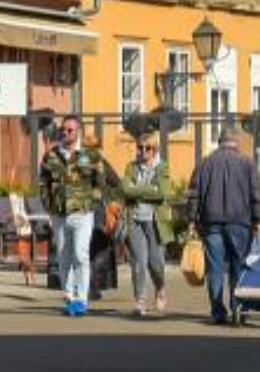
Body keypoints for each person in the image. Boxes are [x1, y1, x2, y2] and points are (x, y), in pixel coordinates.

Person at [40, 118, 113, 316]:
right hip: (60, 214)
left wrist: (91, 203)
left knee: (81, 254)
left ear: (78, 131)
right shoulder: (51, 156)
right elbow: (43, 183)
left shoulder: (91, 155)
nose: (65, 133)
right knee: (64, 256)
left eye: (70, 130)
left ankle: (81, 299)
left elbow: (100, 182)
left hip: (82, 213)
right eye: (63, 130)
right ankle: (69, 296)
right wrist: (49, 206)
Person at [189, 129, 260, 326]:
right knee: (238, 265)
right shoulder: (247, 163)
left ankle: (217, 311)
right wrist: (257, 219)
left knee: (215, 267)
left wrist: (192, 219)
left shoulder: (205, 163)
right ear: (236, 142)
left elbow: (194, 193)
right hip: (239, 221)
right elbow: (255, 193)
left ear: (219, 142)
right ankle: (237, 307)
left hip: (211, 221)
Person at [117, 132, 173, 318]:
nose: (143, 152)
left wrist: (136, 191)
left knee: (155, 262)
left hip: (155, 221)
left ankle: (160, 287)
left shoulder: (162, 167)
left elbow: (162, 193)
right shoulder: (131, 167)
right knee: (138, 262)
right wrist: (148, 190)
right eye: (139, 148)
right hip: (135, 219)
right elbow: (124, 189)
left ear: (154, 149)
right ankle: (139, 299)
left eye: (147, 148)